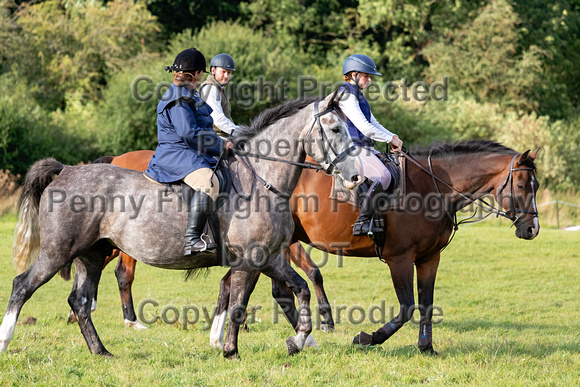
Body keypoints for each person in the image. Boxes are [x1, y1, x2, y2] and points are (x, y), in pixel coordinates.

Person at [145, 47, 231, 255]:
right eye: (201, 73)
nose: (202, 77)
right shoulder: (178, 99)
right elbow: (189, 133)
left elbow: (203, 128)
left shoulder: (189, 94)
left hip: (191, 152)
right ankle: (192, 239)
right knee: (209, 182)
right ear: (195, 73)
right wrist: (220, 145)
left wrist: (219, 141)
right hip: (177, 155)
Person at [338, 54, 404, 237]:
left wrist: (392, 136)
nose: (369, 79)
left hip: (365, 146)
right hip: (352, 147)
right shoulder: (346, 95)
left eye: (369, 76)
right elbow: (365, 128)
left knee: (394, 169)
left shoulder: (358, 96)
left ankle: (381, 216)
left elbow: (373, 122)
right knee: (382, 176)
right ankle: (363, 221)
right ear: (353, 74)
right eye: (366, 75)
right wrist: (389, 139)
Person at [200, 53, 238, 138]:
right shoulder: (210, 88)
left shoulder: (220, 89)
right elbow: (218, 120)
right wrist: (239, 131)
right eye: (223, 72)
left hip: (222, 136)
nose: (226, 76)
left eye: (229, 72)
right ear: (213, 70)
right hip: (213, 137)